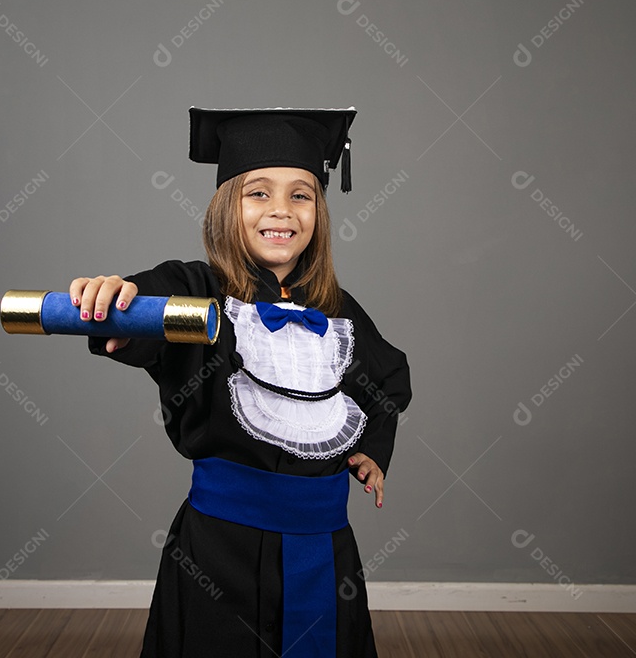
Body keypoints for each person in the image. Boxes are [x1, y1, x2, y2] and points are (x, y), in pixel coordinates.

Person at [68, 108, 412, 658]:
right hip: (218, 549)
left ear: (319, 213)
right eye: (258, 193)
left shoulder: (339, 311)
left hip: (324, 545)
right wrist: (114, 296)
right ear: (227, 207)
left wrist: (374, 447)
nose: (281, 210)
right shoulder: (193, 288)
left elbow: (389, 378)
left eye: (301, 195)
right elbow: (139, 311)